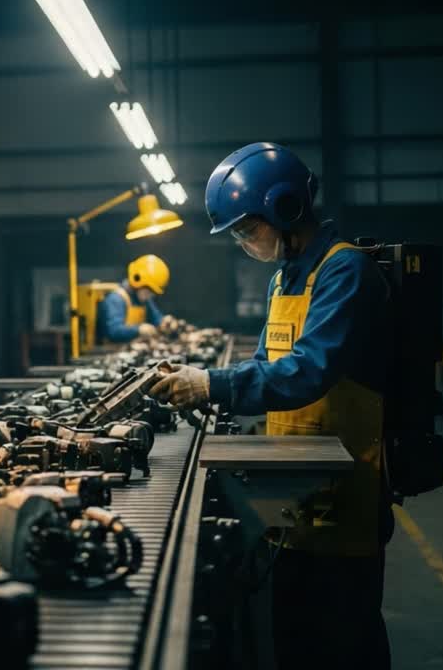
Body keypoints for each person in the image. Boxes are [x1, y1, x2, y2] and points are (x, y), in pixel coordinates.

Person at [149, 142, 393, 669]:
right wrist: (204, 391)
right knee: (295, 635)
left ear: (284, 208)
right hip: (296, 487)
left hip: (347, 488)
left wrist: (210, 383)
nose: (243, 241)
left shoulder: (343, 272)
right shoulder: (283, 279)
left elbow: (308, 370)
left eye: (245, 228)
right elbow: (265, 362)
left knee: (346, 638)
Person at [96, 254, 176, 343]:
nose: (151, 296)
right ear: (137, 280)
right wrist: (139, 329)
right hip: (111, 352)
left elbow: (156, 318)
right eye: (149, 290)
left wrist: (164, 322)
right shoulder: (116, 300)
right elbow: (113, 331)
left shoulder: (144, 300)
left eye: (153, 292)